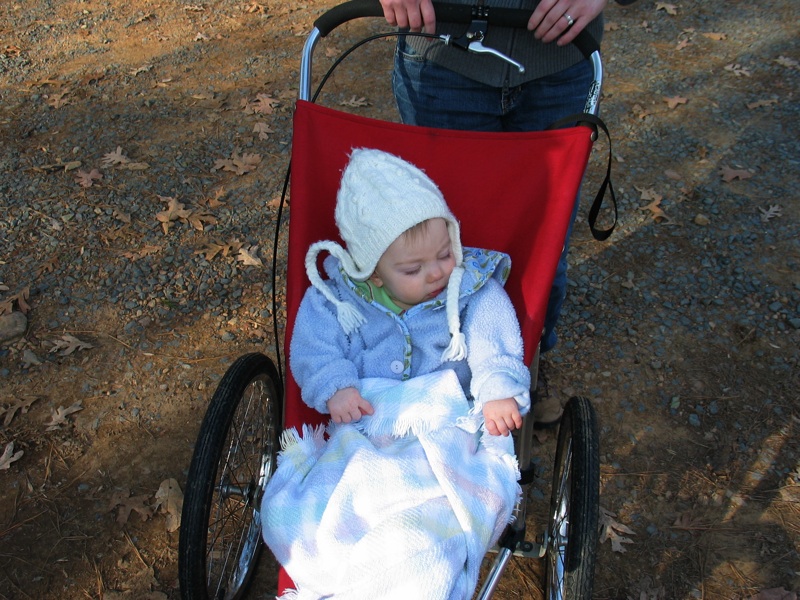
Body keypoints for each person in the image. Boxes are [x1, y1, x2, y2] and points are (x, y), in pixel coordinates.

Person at [378, 0, 611, 425]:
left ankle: (519, 365)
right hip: (442, 49)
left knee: (542, 242)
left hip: (559, 54)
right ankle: (426, 365)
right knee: (431, 238)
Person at [290, 147, 530, 437]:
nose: (437, 272)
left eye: (444, 254)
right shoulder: (337, 301)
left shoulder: (471, 291)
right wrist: (336, 387)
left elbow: (492, 341)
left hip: (449, 423)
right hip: (368, 421)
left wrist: (497, 387)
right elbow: (313, 347)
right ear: (374, 274)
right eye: (412, 270)